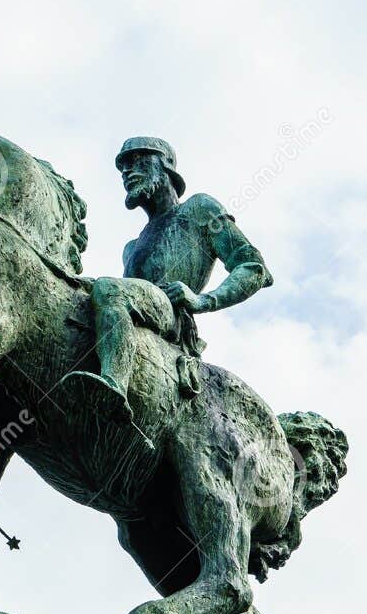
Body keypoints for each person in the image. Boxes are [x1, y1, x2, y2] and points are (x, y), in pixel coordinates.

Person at [59, 137, 273, 441]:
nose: (128, 172)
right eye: (123, 167)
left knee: (110, 290)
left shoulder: (199, 208)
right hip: (143, 309)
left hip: (172, 316)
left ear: (166, 166)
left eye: (138, 161)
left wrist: (201, 300)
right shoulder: (131, 248)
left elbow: (253, 267)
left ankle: (114, 385)